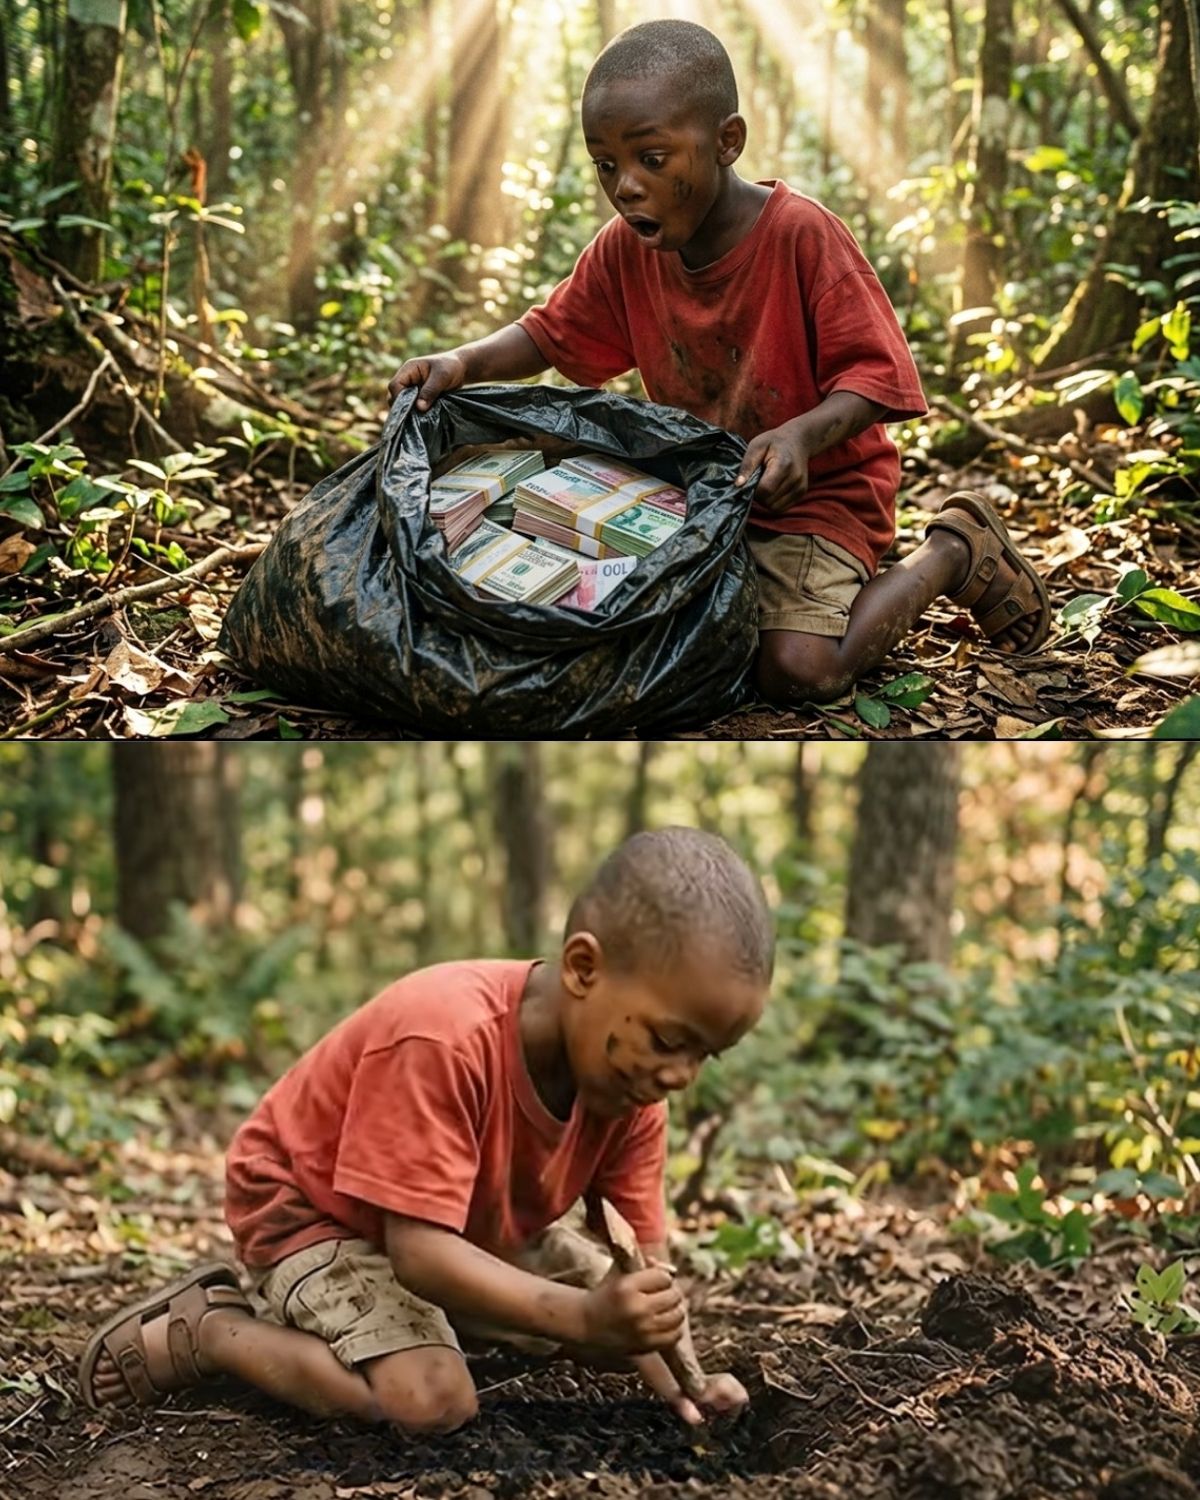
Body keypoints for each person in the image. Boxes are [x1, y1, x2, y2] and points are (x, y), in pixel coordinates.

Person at [388, 20, 1051, 705]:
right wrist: (460, 361)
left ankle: (952, 550)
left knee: (798, 670)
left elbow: (878, 379)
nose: (626, 187)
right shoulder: (625, 249)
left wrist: (800, 437)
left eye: (652, 158)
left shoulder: (801, 235)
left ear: (727, 141)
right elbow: (551, 334)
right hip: (701, 494)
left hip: (817, 497)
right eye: (606, 165)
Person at [79, 827, 773, 1435]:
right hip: (318, 1213)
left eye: (705, 1055)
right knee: (430, 1401)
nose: (681, 1075)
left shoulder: (632, 1091)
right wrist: (585, 1317)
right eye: (669, 1040)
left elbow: (644, 1276)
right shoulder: (445, 1035)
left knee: (626, 1333)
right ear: (583, 968)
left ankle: (433, 1324)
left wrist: (687, 1383)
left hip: (462, 1227)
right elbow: (418, 1255)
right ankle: (214, 1330)